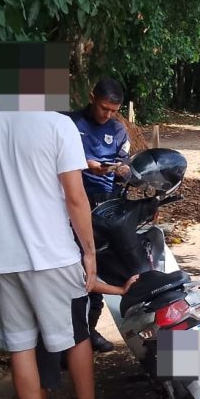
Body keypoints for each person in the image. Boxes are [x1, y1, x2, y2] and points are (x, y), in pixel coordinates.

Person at [0, 55, 119, 399]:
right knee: (76, 337)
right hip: (53, 256)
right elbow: (75, 196)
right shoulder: (56, 125)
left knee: (21, 347)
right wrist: (88, 253)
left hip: (1, 260)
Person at [69, 78, 132, 352]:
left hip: (108, 204)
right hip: (73, 202)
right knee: (79, 272)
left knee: (103, 268)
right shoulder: (68, 123)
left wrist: (122, 171)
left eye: (113, 111)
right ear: (92, 97)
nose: (107, 115)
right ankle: (74, 339)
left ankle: (88, 332)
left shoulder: (118, 131)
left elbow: (129, 168)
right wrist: (86, 164)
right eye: (104, 108)